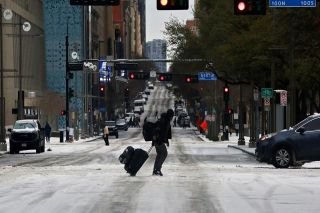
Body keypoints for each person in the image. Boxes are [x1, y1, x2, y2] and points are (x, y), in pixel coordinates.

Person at [152, 109, 174, 176]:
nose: (172, 117)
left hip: (158, 140)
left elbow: (165, 133)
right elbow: (159, 131)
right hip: (159, 141)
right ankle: (157, 169)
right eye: (172, 116)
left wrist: (166, 141)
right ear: (170, 115)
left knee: (159, 154)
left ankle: (155, 170)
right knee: (164, 153)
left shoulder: (165, 120)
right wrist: (157, 138)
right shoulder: (164, 121)